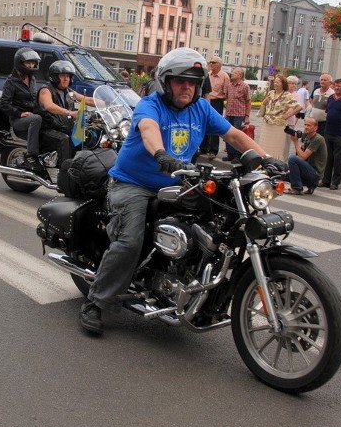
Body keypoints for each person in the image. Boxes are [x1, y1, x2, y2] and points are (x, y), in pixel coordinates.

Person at [79, 47, 283, 335]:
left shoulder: (200, 108)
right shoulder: (150, 105)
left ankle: (192, 281)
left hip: (178, 182)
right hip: (133, 183)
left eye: (192, 83)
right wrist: (161, 154)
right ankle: (96, 302)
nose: (187, 87)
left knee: (218, 225)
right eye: (180, 81)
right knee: (130, 240)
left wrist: (267, 159)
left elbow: (234, 135)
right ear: (166, 82)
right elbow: (149, 129)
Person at [0, 48, 47, 176]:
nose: (31, 66)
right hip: (17, 120)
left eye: (33, 63)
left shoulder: (32, 80)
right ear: (20, 63)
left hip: (30, 116)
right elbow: (4, 103)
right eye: (28, 63)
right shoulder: (11, 81)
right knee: (36, 119)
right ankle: (31, 155)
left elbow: (34, 100)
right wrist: (19, 113)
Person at [36, 60, 89, 166]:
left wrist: (109, 103)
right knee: (64, 139)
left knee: (85, 136)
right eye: (63, 76)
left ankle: (78, 167)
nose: (66, 79)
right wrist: (70, 113)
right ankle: (64, 173)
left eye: (68, 76)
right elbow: (49, 105)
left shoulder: (68, 92)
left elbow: (86, 99)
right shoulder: (46, 90)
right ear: (55, 77)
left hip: (61, 127)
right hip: (47, 128)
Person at [258, 74, 302, 159]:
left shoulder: (287, 95)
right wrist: (264, 108)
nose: (275, 84)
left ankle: (276, 166)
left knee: (276, 148)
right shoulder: (271, 93)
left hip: (279, 126)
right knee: (264, 146)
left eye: (277, 82)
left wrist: (289, 114)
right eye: (274, 82)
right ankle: (264, 164)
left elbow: (299, 107)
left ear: (283, 84)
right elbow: (265, 103)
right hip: (267, 124)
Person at [198, 55, 229, 158]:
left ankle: (213, 150)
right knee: (204, 123)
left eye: (213, 62)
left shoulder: (224, 76)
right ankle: (203, 148)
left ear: (219, 64)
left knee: (215, 124)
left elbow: (226, 92)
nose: (210, 64)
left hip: (217, 101)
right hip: (206, 100)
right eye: (210, 62)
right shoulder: (208, 74)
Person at [286, 117, 327, 195]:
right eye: (305, 125)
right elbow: (300, 154)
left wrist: (295, 142)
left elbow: (303, 157)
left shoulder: (318, 139)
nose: (306, 127)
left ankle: (297, 188)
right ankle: (310, 185)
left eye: (309, 125)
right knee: (286, 175)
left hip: (315, 173)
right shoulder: (307, 136)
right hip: (309, 169)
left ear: (315, 128)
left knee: (292, 158)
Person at [221, 66, 251, 162]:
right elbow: (228, 99)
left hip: (239, 114)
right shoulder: (229, 85)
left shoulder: (245, 86)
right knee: (227, 134)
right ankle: (230, 154)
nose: (232, 73)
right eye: (232, 72)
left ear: (240, 75)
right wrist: (226, 114)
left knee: (237, 135)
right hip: (229, 113)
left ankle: (237, 156)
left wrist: (247, 116)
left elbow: (248, 102)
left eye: (235, 72)